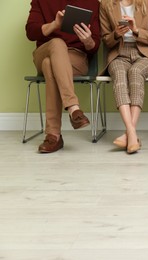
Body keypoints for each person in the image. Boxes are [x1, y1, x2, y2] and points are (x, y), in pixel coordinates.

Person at [25, 0, 100, 153]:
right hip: (46, 49)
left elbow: (95, 46)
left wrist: (88, 41)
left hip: (75, 57)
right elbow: (31, 32)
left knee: (49, 65)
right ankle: (73, 107)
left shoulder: (93, 3)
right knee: (57, 43)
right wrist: (54, 24)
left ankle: (53, 135)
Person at [99, 0, 148, 154]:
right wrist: (116, 34)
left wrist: (136, 31)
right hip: (119, 54)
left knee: (135, 72)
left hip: (145, 54)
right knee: (119, 74)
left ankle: (129, 133)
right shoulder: (106, 5)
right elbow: (105, 41)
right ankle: (132, 132)